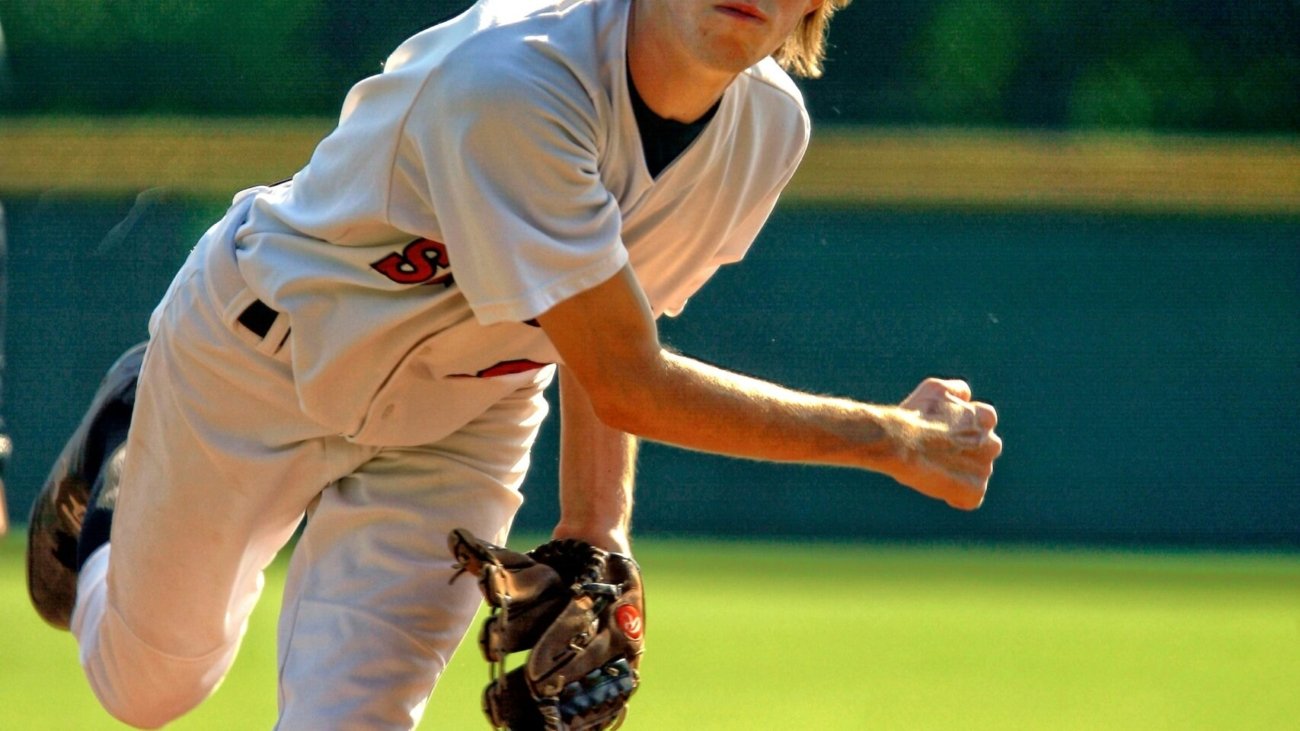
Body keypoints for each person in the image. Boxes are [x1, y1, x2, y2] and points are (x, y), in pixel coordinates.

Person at [27, 0, 1002, 728]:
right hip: (254, 356)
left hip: (468, 410)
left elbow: (615, 319)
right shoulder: (514, 77)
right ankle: (120, 452)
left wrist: (594, 532)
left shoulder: (767, 131)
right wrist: (891, 436)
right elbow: (629, 374)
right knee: (150, 684)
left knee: (353, 715)